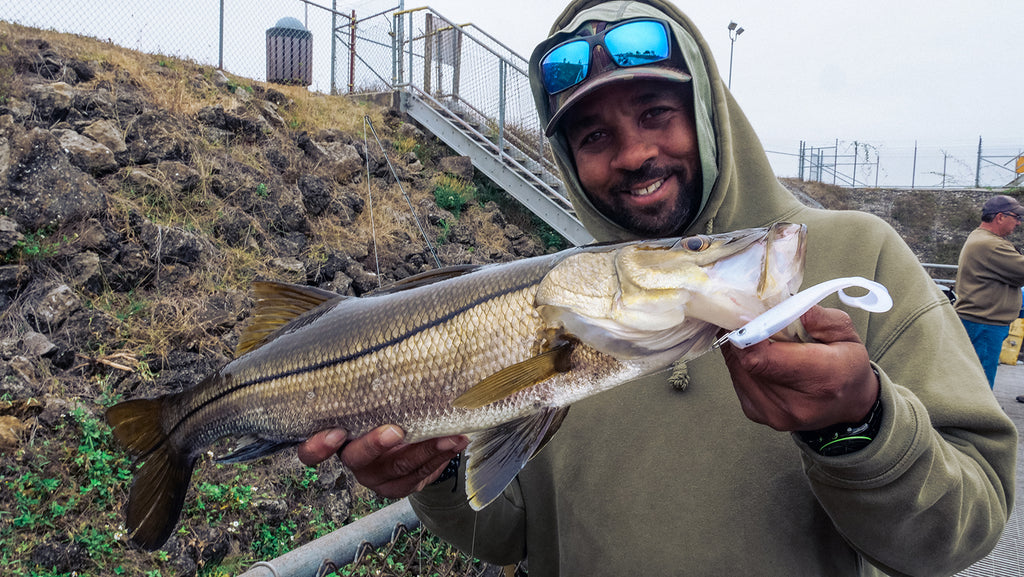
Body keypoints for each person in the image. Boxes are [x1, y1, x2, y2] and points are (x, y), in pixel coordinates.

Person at [298, 1, 1018, 575]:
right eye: (594, 136)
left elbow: (964, 534)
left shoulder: (858, 254)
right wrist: (435, 474)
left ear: (705, 112)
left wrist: (858, 426)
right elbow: (509, 532)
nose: (635, 153)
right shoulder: (556, 300)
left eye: (654, 113)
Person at [954, 194, 1024, 389]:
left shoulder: (980, 237)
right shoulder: (992, 245)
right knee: (980, 383)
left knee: (974, 376)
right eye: (1016, 217)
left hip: (981, 321)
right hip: (985, 323)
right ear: (1000, 217)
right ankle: (978, 417)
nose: (1018, 223)